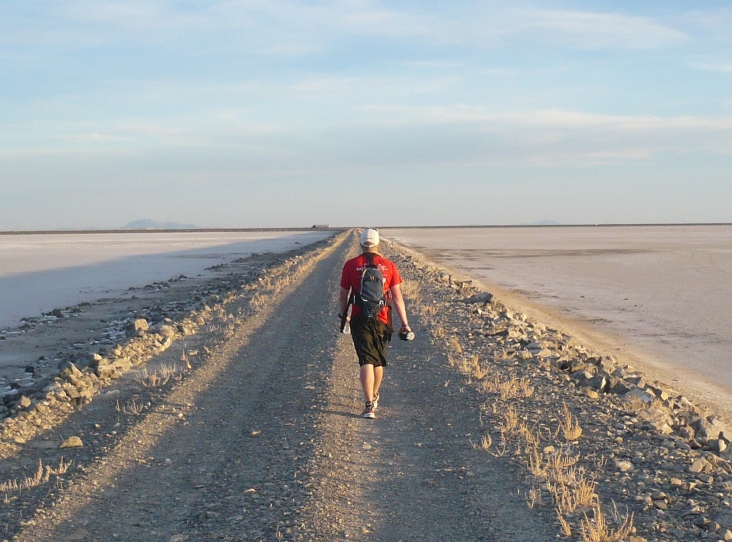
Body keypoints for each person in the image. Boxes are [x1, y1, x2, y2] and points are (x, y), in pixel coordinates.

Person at [339, 228, 412, 419]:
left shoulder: (350, 265)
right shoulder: (389, 266)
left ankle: (369, 405)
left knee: (365, 360)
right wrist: (405, 324)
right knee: (378, 361)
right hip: (382, 319)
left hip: (359, 318)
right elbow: (397, 297)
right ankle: (374, 395)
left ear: (361, 244)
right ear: (378, 244)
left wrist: (343, 315)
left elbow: (343, 295)